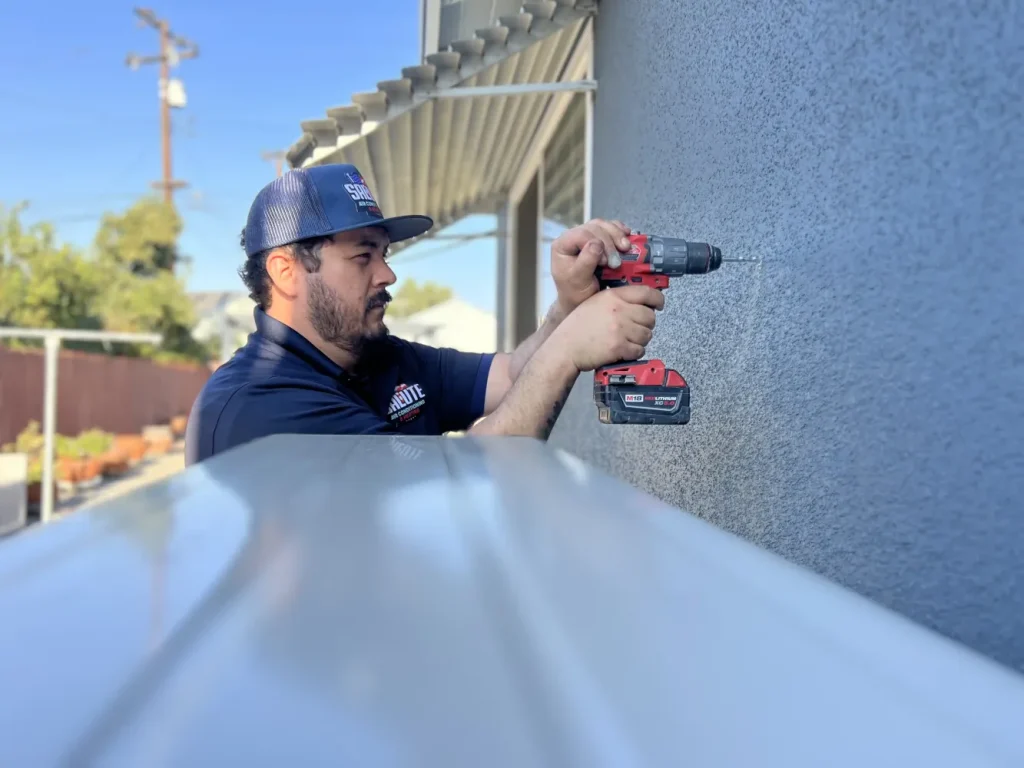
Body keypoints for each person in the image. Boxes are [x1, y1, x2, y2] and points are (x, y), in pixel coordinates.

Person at [184, 163, 664, 465]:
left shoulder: (373, 355)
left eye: (385, 253)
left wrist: (568, 305)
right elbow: (459, 486)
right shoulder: (262, 404)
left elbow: (514, 374)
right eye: (363, 256)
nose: (388, 275)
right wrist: (566, 352)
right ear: (287, 272)